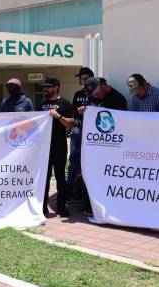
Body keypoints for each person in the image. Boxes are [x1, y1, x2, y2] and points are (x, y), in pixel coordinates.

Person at [79, 77, 127, 215]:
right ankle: (90, 205)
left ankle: (107, 206)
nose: (96, 96)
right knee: (91, 174)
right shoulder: (92, 98)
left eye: (97, 93)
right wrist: (85, 110)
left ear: (103, 85)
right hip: (94, 145)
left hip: (111, 146)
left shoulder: (118, 99)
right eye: (93, 95)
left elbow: (120, 124)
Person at [39, 77, 74, 217]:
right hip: (44, 147)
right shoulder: (42, 103)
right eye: (44, 87)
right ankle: (43, 206)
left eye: (48, 87)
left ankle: (61, 206)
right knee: (45, 178)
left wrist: (58, 116)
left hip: (59, 145)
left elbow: (71, 123)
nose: (45, 89)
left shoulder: (64, 103)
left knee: (60, 178)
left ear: (56, 87)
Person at [67, 67, 94, 202]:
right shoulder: (78, 94)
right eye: (81, 79)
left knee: (89, 163)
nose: (83, 81)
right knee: (73, 162)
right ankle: (69, 192)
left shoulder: (96, 93)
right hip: (78, 128)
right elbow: (73, 112)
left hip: (92, 131)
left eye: (86, 78)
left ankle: (85, 195)